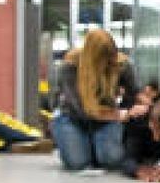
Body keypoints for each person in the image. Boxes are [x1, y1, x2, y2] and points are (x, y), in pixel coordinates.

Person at [50, 29, 141, 170]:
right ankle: (85, 145)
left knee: (111, 160)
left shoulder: (122, 64)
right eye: (105, 59)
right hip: (73, 117)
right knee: (77, 163)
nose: (110, 63)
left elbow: (134, 94)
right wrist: (117, 115)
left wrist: (131, 109)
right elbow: (80, 109)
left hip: (106, 118)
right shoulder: (69, 67)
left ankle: (94, 147)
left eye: (112, 57)